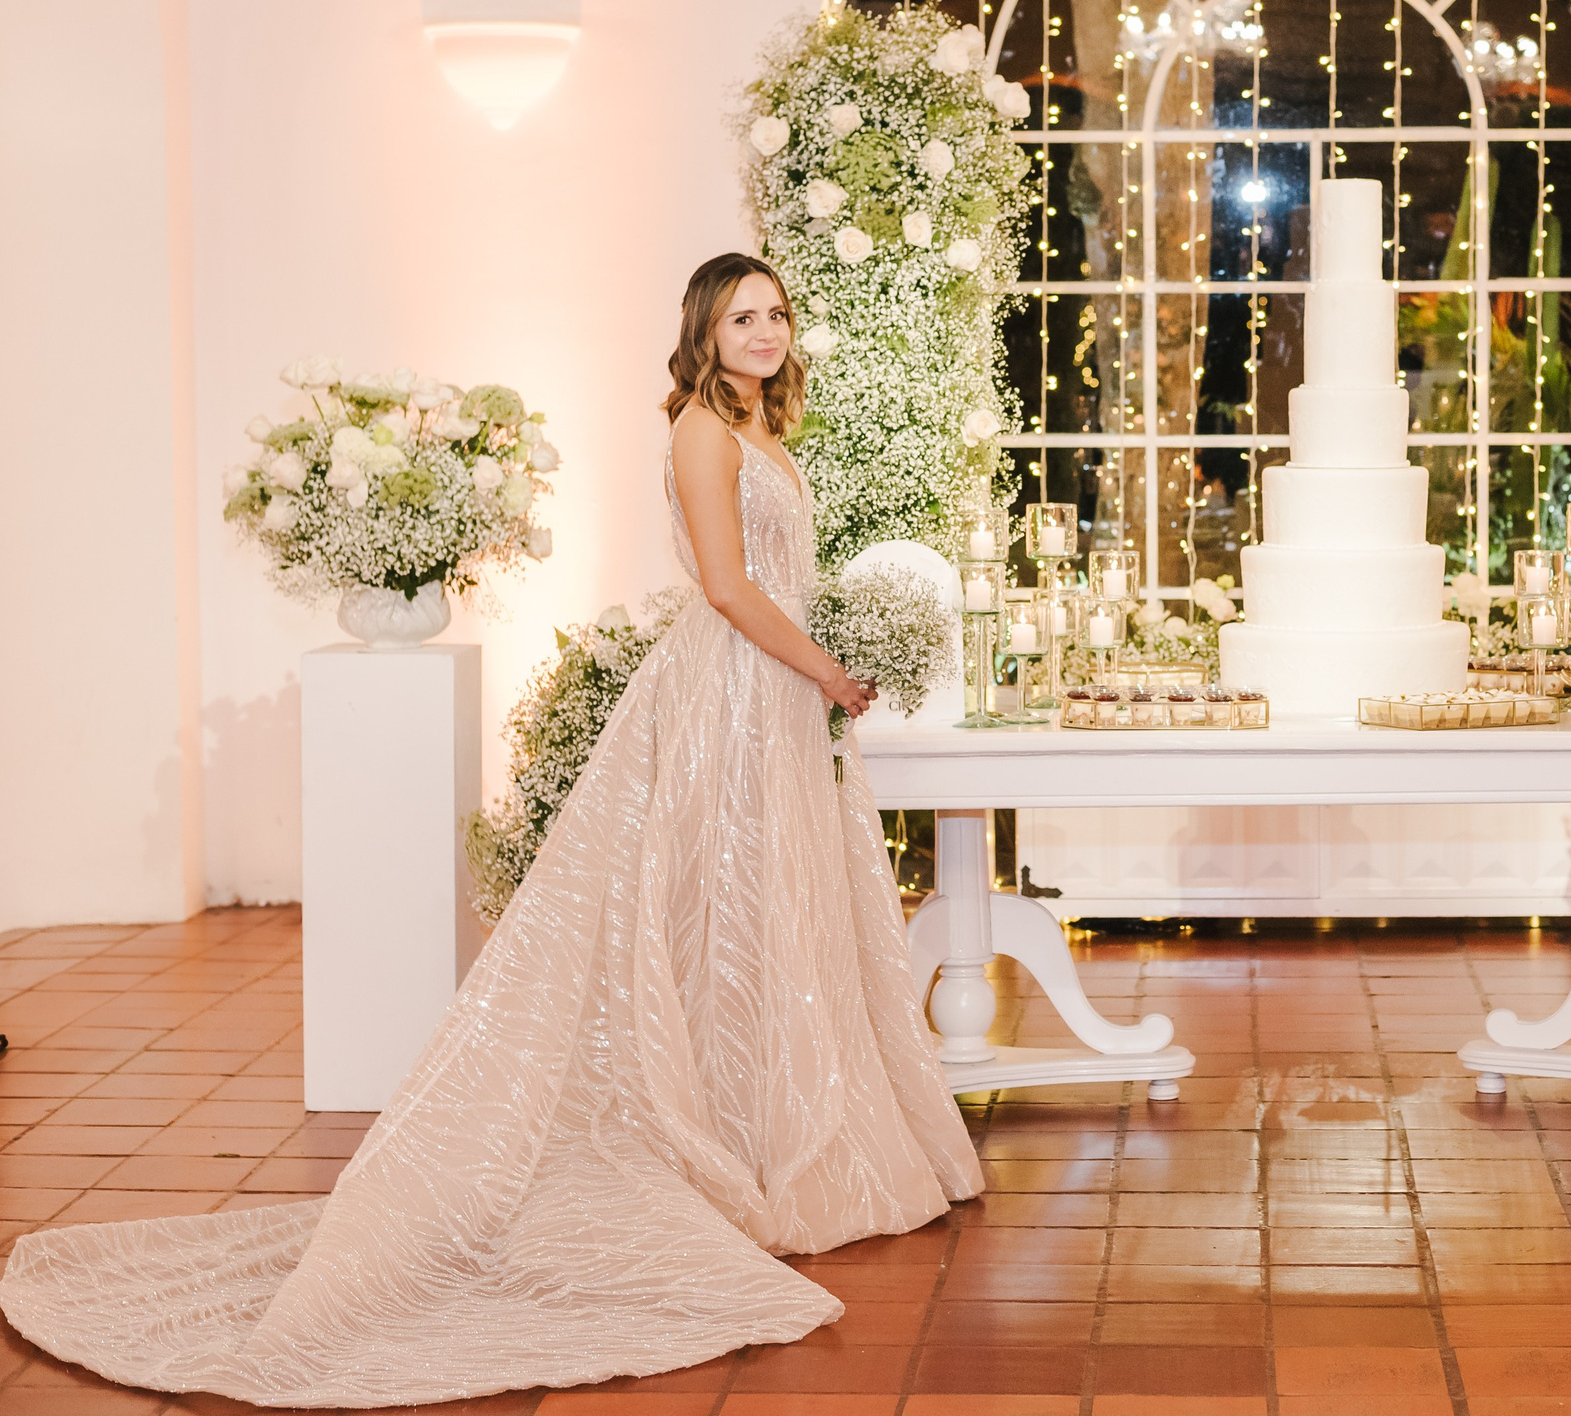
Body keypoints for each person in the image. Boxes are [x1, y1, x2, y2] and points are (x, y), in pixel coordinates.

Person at [0, 254, 982, 1402]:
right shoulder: (701, 432)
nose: (764, 332)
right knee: (717, 908)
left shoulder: (761, 424)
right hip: (731, 690)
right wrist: (826, 666)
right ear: (702, 335)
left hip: (771, 692)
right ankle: (723, 1142)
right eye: (740, 318)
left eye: (775, 314)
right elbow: (723, 583)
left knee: (765, 911)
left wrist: (815, 671)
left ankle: (770, 1127)